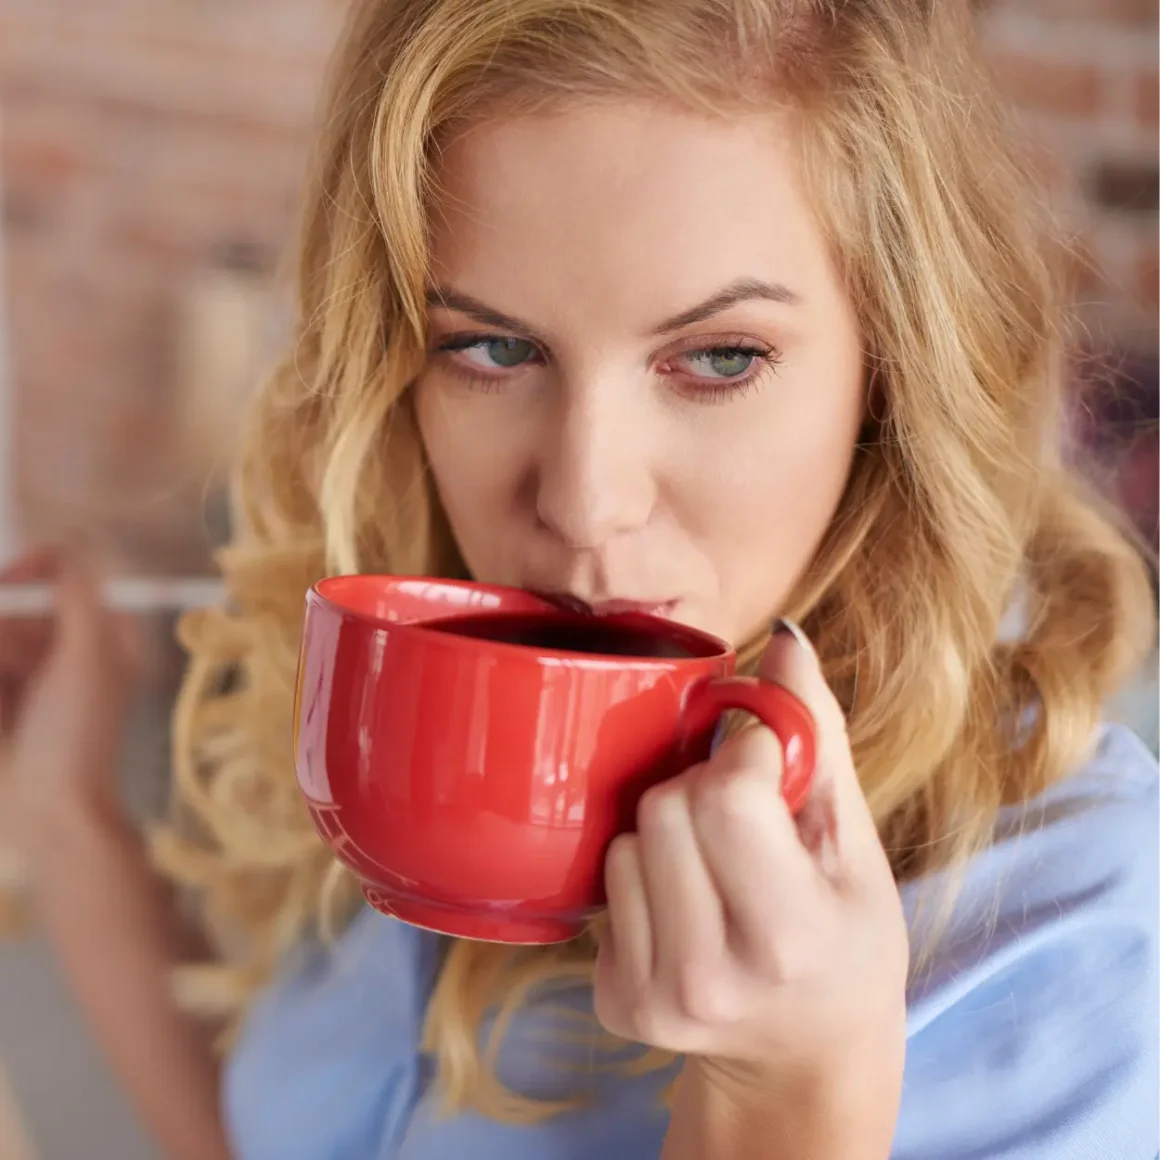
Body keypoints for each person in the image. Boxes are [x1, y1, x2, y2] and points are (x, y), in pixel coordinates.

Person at [1, 1, 1157, 1157]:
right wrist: (69, 811)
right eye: (492, 348)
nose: (582, 500)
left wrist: (789, 1101)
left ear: (891, 372)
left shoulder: (1077, 930)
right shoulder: (430, 712)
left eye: (717, 357)